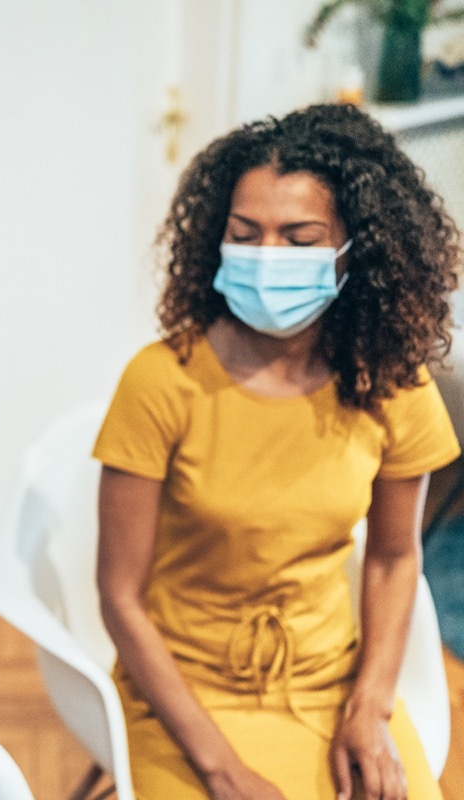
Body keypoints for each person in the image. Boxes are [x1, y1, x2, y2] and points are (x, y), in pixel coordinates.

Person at [94, 104, 461, 800]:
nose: (268, 259)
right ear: (216, 241)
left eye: (300, 238)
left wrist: (369, 706)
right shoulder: (161, 381)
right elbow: (118, 596)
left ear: (357, 250)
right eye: (245, 234)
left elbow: (392, 557)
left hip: (330, 680)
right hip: (184, 692)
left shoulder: (391, 383)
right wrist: (222, 770)